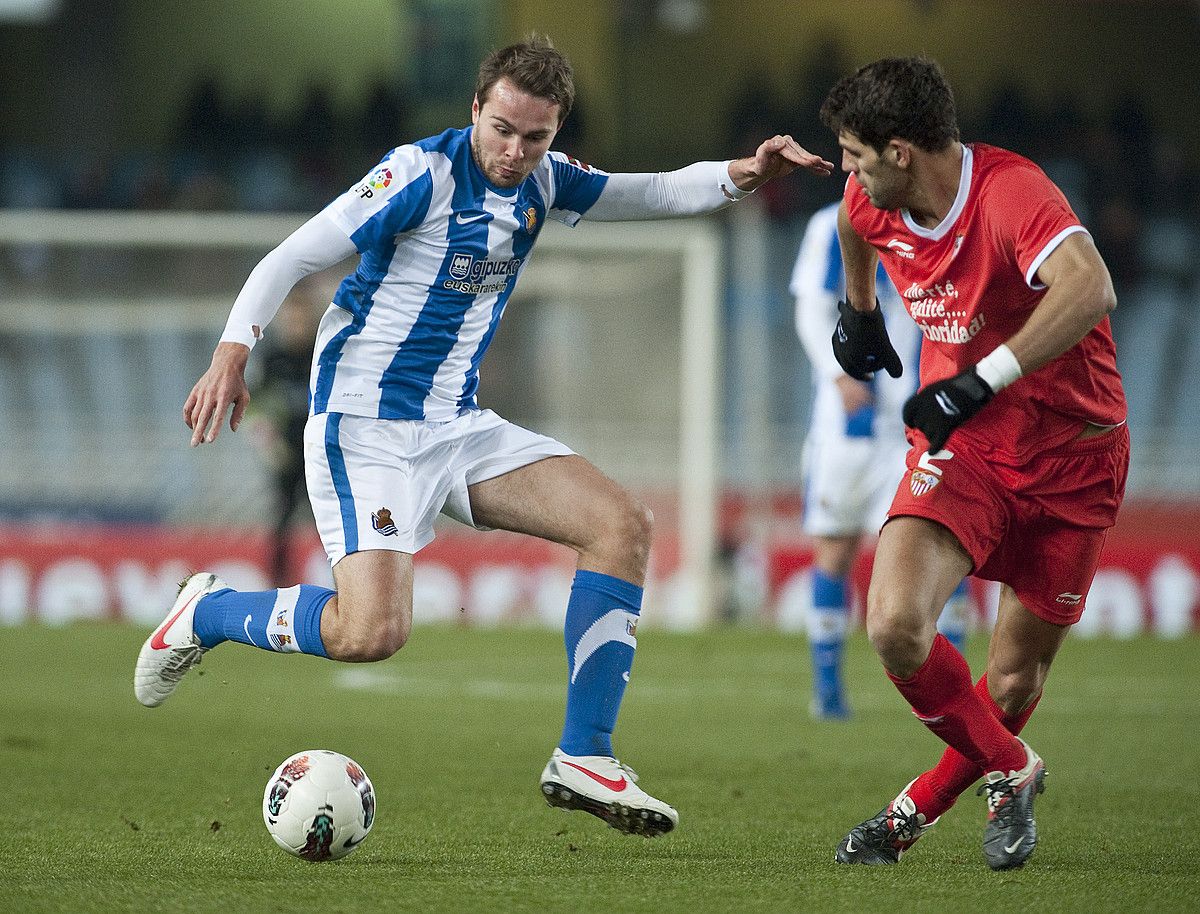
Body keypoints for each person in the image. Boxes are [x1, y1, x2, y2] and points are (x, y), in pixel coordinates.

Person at [133, 35, 833, 838]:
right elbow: (293, 255)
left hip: (457, 426)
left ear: (555, 132)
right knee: (371, 634)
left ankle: (584, 755)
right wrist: (233, 351)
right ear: (475, 109)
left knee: (620, 526)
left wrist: (744, 173)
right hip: (364, 425)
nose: (513, 151)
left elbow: (661, 193)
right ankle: (207, 614)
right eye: (501, 129)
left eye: (535, 137)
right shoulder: (418, 174)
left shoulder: (546, 182)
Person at [819, 56, 1128, 870]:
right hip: (964, 450)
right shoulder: (869, 198)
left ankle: (906, 815)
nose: (846, 173)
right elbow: (853, 222)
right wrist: (857, 312)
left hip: (1073, 457)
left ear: (900, 153)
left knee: (1015, 677)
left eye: (855, 155)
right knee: (891, 623)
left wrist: (982, 378)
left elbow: (1091, 287)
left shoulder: (1010, 194)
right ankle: (1015, 770)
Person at [791, 200, 972, 720]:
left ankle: (955, 697)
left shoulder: (937, 225)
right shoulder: (830, 225)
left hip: (921, 428)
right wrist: (838, 373)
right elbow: (810, 306)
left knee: (942, 549)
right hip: (846, 432)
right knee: (836, 550)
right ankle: (828, 694)